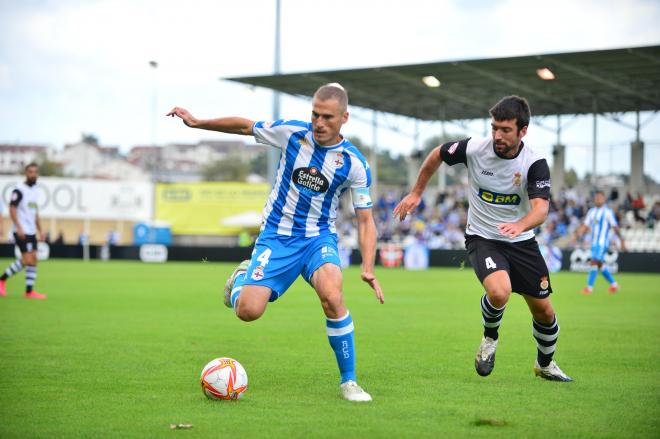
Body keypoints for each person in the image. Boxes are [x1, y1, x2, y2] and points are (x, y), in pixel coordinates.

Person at [167, 83, 384, 401]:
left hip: (317, 239)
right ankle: (242, 278)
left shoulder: (353, 163)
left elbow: (366, 220)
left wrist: (368, 267)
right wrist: (199, 122)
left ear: (344, 118)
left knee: (333, 296)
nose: (319, 123)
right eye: (315, 114)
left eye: (327, 117)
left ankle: (348, 382)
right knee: (248, 312)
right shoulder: (292, 134)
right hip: (277, 237)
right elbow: (245, 126)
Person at [394, 96, 572, 382]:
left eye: (505, 130)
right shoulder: (475, 148)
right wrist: (416, 192)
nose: (497, 136)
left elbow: (541, 210)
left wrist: (520, 224)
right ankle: (490, 339)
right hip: (483, 237)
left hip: (522, 241)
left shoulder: (534, 162)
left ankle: (545, 364)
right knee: (499, 292)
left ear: (522, 131)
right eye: (494, 128)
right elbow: (438, 153)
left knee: (544, 311)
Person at [0, 163, 46, 299]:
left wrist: (41, 230)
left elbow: (35, 213)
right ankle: (2, 279)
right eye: (30, 172)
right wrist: (18, 226)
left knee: (34, 259)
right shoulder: (19, 190)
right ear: (26, 173)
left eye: (35, 172)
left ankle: (29, 291)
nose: (33, 174)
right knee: (27, 259)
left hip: (31, 231)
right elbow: (12, 208)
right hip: (21, 231)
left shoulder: (35, 191)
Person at [573, 190, 626, 294]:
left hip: (603, 243)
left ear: (604, 199)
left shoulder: (608, 212)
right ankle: (614, 285)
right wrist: (577, 234)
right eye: (596, 198)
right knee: (600, 264)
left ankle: (589, 288)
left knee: (594, 261)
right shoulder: (591, 212)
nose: (597, 199)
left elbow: (615, 227)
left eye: (600, 198)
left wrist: (622, 240)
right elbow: (585, 225)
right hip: (594, 243)